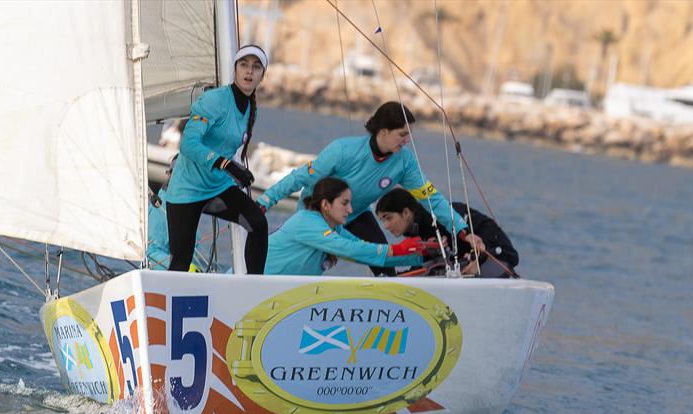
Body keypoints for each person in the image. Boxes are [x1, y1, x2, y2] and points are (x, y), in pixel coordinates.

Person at [256, 101, 484, 276]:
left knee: (381, 262)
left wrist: (462, 230)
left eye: (409, 135)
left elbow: (431, 198)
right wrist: (265, 202)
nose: (407, 141)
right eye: (403, 134)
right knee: (309, 260)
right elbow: (300, 177)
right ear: (383, 131)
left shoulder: (404, 162)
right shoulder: (342, 151)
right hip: (319, 216)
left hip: (354, 214)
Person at [165, 45, 269, 274]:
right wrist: (227, 164)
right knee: (181, 263)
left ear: (263, 75)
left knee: (258, 224)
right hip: (186, 190)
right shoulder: (213, 100)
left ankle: (255, 289)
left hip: (217, 187)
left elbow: (229, 146)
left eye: (256, 67)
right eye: (244, 65)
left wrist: (237, 169)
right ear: (235, 69)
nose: (249, 72)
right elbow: (188, 144)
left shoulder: (252, 108)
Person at [265, 178, 430, 276]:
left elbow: (363, 251)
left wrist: (420, 257)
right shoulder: (306, 221)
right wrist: (397, 249)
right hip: (251, 281)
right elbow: (349, 249)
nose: (350, 210)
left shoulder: (335, 229)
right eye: (345, 203)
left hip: (276, 289)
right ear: (325, 204)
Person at [376, 188, 519, 278]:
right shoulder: (419, 234)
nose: (386, 226)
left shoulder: (445, 215)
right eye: (383, 220)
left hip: (499, 261)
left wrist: (479, 260)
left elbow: (505, 248)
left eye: (389, 218)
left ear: (406, 213)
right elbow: (424, 264)